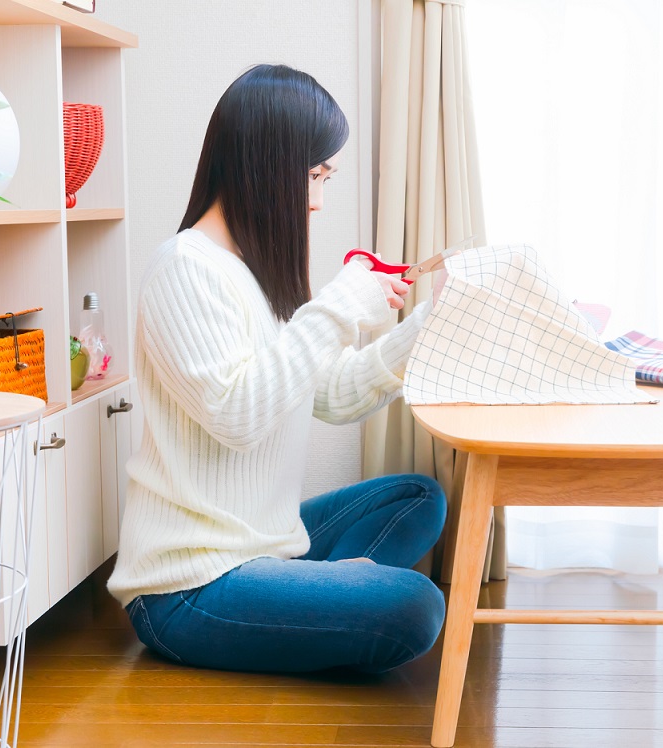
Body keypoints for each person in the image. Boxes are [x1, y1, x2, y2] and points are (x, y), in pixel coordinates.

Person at [107, 64, 447, 674]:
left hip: (266, 544)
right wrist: (340, 306)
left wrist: (430, 327)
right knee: (416, 607)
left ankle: (315, 600)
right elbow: (238, 417)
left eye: (326, 177)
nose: (317, 200)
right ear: (267, 162)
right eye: (313, 176)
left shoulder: (256, 273)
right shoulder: (184, 268)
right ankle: (326, 600)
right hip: (189, 584)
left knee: (417, 496)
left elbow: (335, 395)